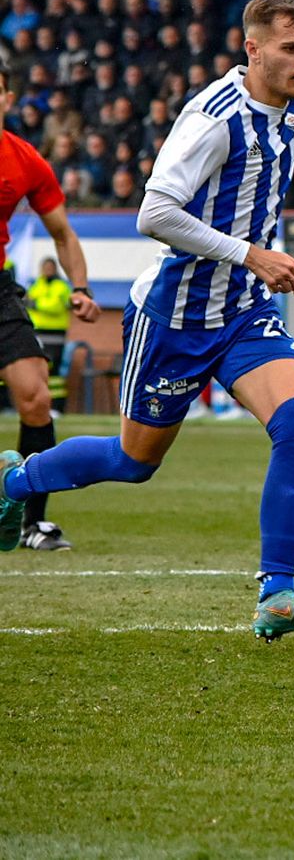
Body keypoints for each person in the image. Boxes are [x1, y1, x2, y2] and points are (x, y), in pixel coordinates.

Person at [0, 0, 294, 636]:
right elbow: (154, 214)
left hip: (243, 310)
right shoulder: (213, 119)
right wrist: (251, 254)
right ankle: (15, 481)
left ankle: (278, 593)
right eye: (291, 49)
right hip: (175, 316)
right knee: (134, 462)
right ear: (253, 49)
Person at [0, 71, 103, 553]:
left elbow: (62, 233)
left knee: (37, 398)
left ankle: (30, 523)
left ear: (8, 97)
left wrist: (79, 287)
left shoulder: (25, 159)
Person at [25, 255, 72, 371]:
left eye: (50, 268)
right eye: (45, 267)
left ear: (55, 269)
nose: (47, 270)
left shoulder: (61, 286)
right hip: (37, 330)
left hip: (55, 332)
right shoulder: (36, 285)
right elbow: (27, 302)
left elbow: (55, 306)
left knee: (53, 365)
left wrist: (36, 304)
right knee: (36, 365)